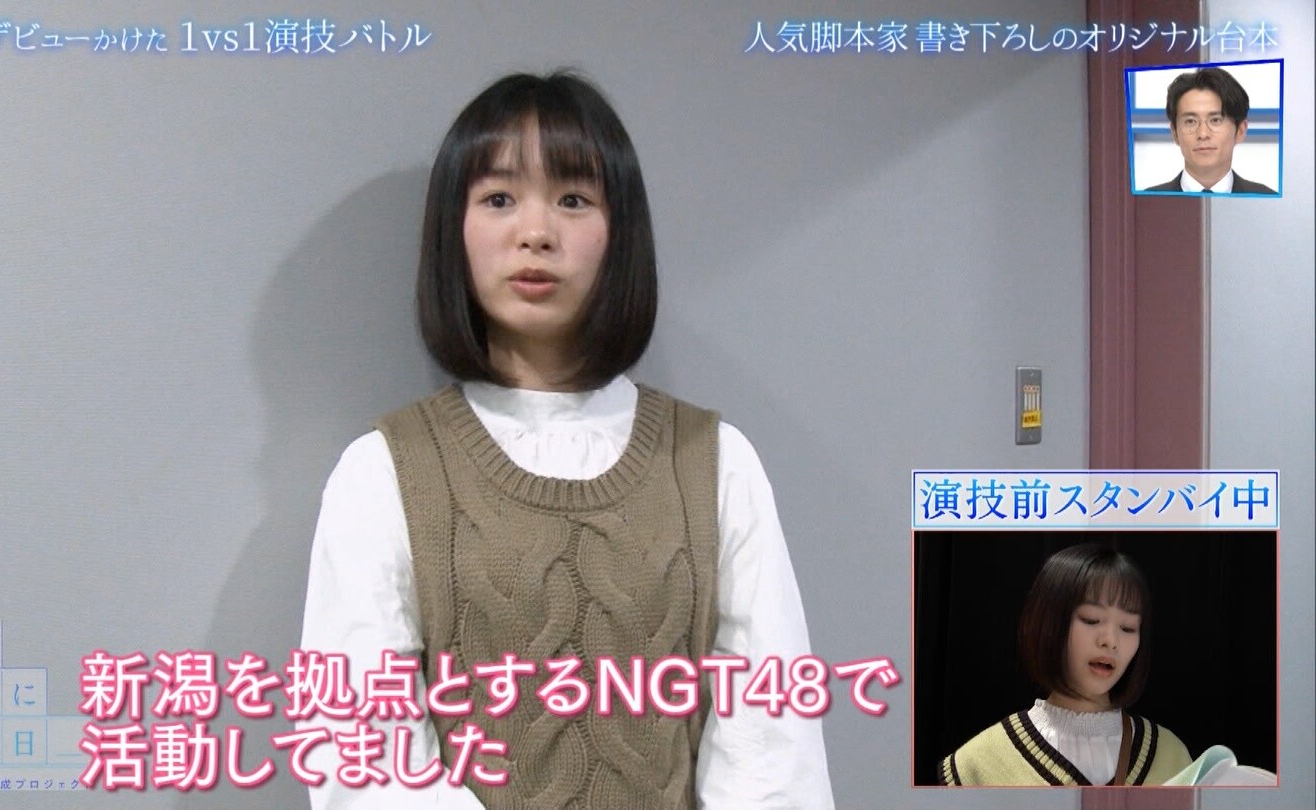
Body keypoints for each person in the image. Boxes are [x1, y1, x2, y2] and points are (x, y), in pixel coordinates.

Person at [299, 72, 834, 808]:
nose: (536, 232)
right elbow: (361, 749)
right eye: (498, 199)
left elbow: (772, 744)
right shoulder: (385, 472)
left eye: (574, 199)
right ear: (454, 231)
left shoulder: (714, 463)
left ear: (620, 233)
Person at [940, 543, 1192, 786]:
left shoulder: (1171, 757)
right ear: (1049, 624)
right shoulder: (979, 765)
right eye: (1092, 619)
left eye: (1127, 628)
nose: (1110, 641)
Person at [1143, 66, 1277, 194]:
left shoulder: (1269, 200)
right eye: (1190, 121)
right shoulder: (1147, 200)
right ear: (1175, 133)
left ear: (1240, 131)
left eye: (1215, 120)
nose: (1203, 134)